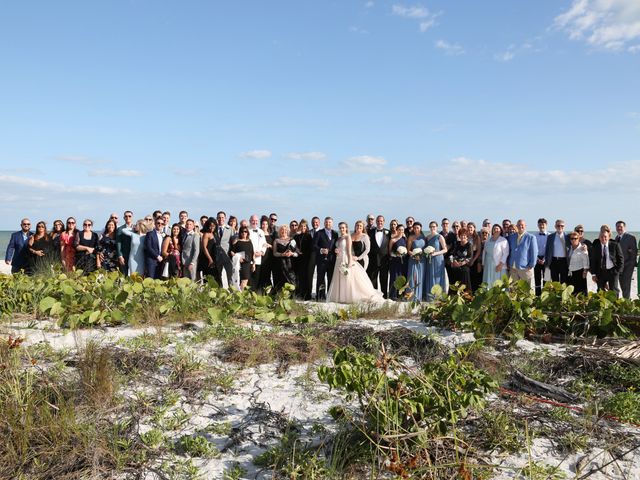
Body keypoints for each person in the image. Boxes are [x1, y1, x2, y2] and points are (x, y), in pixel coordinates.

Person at [327, 222, 384, 304]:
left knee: (349, 278)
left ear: (346, 228)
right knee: (341, 278)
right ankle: (342, 297)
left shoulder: (348, 237)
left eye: (343, 227)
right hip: (338, 259)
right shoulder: (339, 238)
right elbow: (338, 248)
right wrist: (336, 251)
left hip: (346, 259)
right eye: (340, 228)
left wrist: (350, 262)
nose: (341, 229)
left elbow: (349, 251)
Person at [591, 225, 623, 294]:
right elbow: (593, 261)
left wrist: (618, 272)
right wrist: (593, 274)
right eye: (601, 237)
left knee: (614, 291)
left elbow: (621, 259)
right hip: (600, 272)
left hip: (612, 271)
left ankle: (614, 304)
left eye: (605, 237)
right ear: (599, 237)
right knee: (600, 290)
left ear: (609, 237)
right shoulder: (596, 246)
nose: (603, 238)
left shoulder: (615, 245)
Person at [507, 219, 538, 291]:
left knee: (528, 289)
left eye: (522, 225)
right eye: (519, 225)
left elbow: (534, 252)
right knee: (514, 289)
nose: (520, 226)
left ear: (525, 226)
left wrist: (532, 265)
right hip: (513, 267)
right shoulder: (512, 237)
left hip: (526, 268)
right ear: (516, 226)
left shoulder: (531, 237)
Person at [313, 217, 338, 301]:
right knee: (320, 279)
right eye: (326, 222)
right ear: (324, 223)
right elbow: (314, 246)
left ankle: (330, 296)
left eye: (330, 222)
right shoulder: (319, 233)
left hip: (332, 260)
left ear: (332, 223)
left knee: (331, 278)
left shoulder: (335, 233)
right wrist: (321, 250)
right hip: (321, 261)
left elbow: (336, 245)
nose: (328, 224)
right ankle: (320, 296)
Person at [367, 215, 390, 298]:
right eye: (378, 221)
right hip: (373, 260)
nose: (380, 222)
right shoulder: (370, 232)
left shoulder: (388, 233)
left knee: (384, 279)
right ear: (376, 222)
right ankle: (374, 296)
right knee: (373, 279)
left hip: (384, 260)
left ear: (384, 222)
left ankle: (384, 297)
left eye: (381, 221)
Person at [272, 224, 300, 294]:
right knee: (280, 281)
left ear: (287, 231)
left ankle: (291, 297)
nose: (283, 231)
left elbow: (297, 253)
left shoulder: (292, 240)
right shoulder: (276, 241)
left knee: (291, 281)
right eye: (282, 230)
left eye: (285, 230)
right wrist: (282, 254)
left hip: (290, 264)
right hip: (280, 264)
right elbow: (274, 253)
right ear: (279, 231)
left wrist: (292, 254)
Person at [424, 221, 448, 300]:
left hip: (438, 259)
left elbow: (445, 249)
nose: (432, 228)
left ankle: (438, 296)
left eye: (434, 226)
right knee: (430, 275)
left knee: (437, 277)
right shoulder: (427, 237)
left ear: (437, 227)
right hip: (429, 260)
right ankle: (430, 296)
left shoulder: (440, 237)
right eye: (431, 226)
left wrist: (435, 253)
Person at [615, 220, 637, 299]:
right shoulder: (617, 237)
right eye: (617, 227)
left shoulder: (630, 237)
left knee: (626, 285)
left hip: (628, 266)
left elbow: (634, 253)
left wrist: (630, 266)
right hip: (619, 266)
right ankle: (625, 301)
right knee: (621, 285)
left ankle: (627, 302)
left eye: (621, 226)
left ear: (624, 227)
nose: (619, 228)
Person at [544, 219, 569, 284]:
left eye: (562, 226)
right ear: (555, 226)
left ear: (564, 226)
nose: (560, 227)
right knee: (555, 282)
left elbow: (575, 244)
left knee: (564, 281)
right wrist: (547, 263)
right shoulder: (550, 237)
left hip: (564, 262)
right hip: (553, 261)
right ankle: (556, 294)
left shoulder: (568, 237)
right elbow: (547, 250)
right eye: (558, 225)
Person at [294, 219, 314, 299]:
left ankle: (307, 295)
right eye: (301, 226)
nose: (303, 227)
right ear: (299, 227)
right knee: (299, 277)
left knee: (306, 277)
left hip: (306, 258)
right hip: (298, 258)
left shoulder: (309, 236)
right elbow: (293, 245)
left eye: (304, 226)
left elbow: (311, 247)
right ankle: (300, 293)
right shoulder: (296, 236)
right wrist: (297, 250)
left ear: (306, 227)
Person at [406, 222, 426, 301]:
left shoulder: (424, 237)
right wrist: (414, 255)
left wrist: (422, 255)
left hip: (422, 260)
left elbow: (425, 249)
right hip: (413, 260)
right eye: (414, 228)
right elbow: (408, 250)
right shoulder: (411, 237)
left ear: (420, 228)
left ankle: (420, 296)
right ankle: (411, 296)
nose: (416, 229)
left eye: (418, 227)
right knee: (413, 277)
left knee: (420, 277)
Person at [230, 226, 255, 290]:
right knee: (238, 280)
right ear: (240, 233)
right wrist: (238, 257)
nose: (244, 233)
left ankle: (241, 295)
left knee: (245, 281)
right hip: (238, 264)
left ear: (247, 233)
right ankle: (240, 295)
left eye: (245, 231)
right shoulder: (237, 241)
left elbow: (252, 253)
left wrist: (254, 264)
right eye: (242, 231)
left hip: (247, 264)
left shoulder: (250, 241)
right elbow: (231, 252)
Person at [449, 228, 473, 292]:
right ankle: (454, 293)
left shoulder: (469, 245)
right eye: (461, 235)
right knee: (453, 270)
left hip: (465, 264)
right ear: (459, 236)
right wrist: (453, 261)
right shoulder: (457, 243)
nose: (463, 237)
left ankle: (465, 293)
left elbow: (469, 257)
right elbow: (452, 254)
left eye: (464, 235)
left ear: (467, 236)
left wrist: (461, 263)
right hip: (456, 263)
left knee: (465, 271)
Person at [248, 215, 268, 291]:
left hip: (258, 258)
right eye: (253, 220)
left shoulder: (261, 231)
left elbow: (264, 244)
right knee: (249, 278)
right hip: (249, 258)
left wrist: (261, 252)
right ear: (250, 221)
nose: (255, 222)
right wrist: (252, 253)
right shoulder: (246, 230)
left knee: (256, 278)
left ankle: (254, 295)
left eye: (256, 221)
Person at [388, 224, 408, 300]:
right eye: (399, 229)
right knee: (394, 277)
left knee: (402, 277)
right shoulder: (393, 240)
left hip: (403, 261)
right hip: (395, 261)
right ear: (396, 230)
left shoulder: (405, 239)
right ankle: (393, 295)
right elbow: (389, 252)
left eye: (402, 230)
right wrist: (396, 254)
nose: (401, 231)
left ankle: (401, 295)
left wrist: (404, 253)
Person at [215, 211, 234, 287]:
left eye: (222, 217)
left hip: (227, 256)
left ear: (225, 218)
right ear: (217, 218)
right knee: (218, 277)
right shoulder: (214, 229)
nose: (221, 219)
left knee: (230, 276)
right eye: (219, 217)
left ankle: (231, 293)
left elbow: (233, 243)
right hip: (216, 256)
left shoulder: (230, 229)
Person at [259, 216, 275, 291]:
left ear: (268, 225)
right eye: (263, 224)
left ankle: (269, 291)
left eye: (266, 224)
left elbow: (274, 247)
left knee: (267, 274)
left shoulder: (271, 234)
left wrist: (270, 245)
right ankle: (261, 291)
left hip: (269, 257)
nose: (264, 226)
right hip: (260, 257)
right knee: (260, 274)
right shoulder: (258, 233)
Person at [116, 210, 134, 275]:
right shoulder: (120, 229)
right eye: (126, 216)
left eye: (129, 216)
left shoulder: (136, 228)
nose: (128, 217)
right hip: (124, 255)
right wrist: (120, 256)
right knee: (124, 273)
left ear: (132, 217)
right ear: (124, 218)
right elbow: (118, 243)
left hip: (134, 255)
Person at [467, 222, 482, 292]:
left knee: (475, 277)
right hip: (467, 259)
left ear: (474, 228)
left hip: (475, 259)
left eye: (471, 227)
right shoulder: (465, 237)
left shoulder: (477, 237)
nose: (470, 229)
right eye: (468, 227)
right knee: (468, 277)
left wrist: (473, 260)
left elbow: (479, 251)